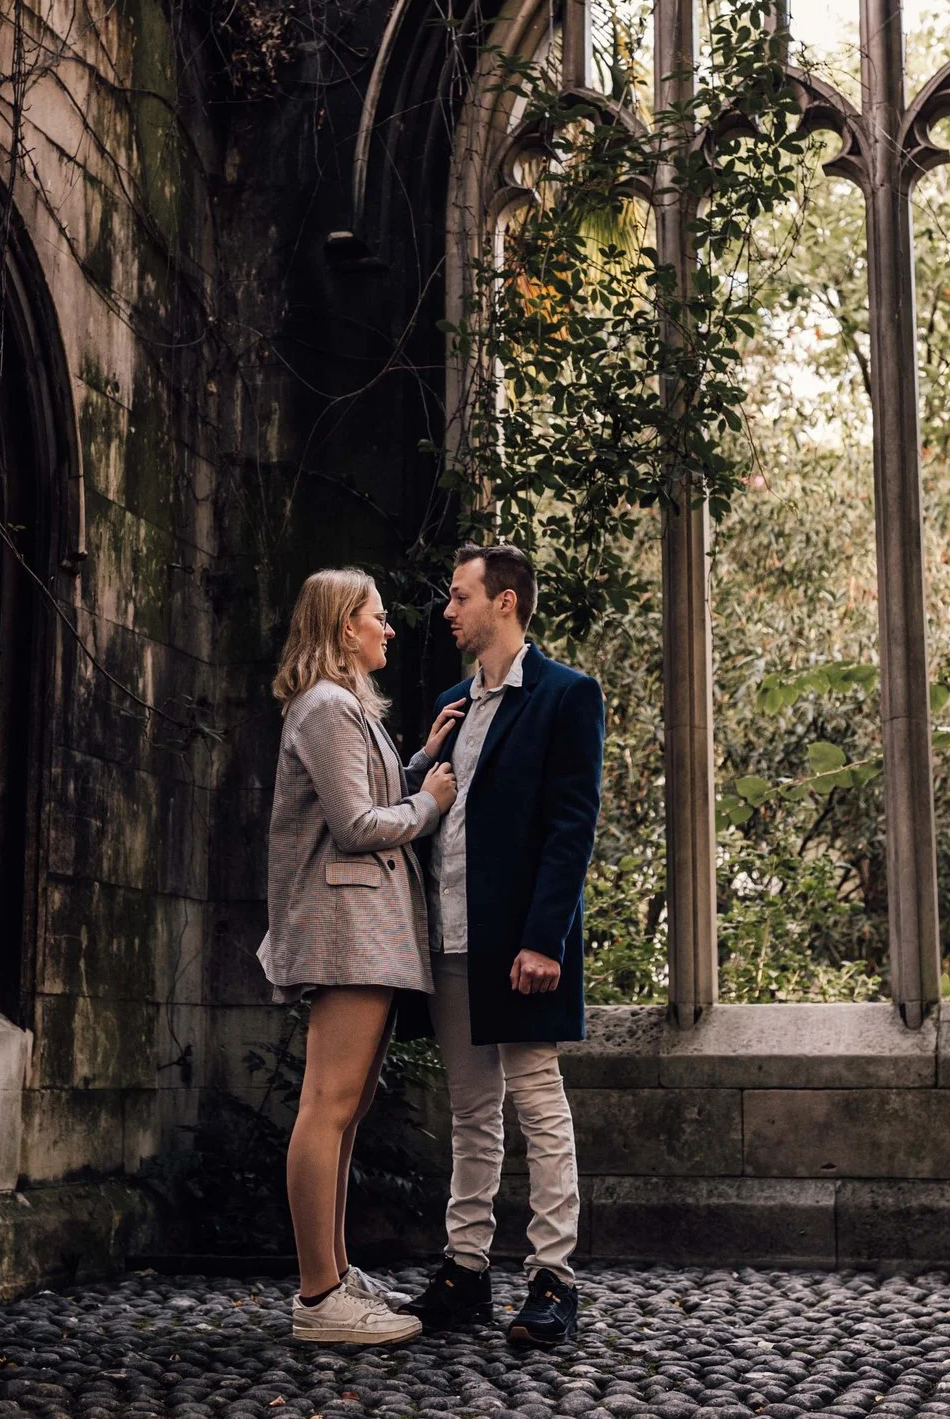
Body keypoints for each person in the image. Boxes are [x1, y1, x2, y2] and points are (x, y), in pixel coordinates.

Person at [399, 543, 604, 1347]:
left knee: (538, 1100)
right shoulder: (454, 702)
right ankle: (466, 1270)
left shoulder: (566, 696)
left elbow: (571, 824)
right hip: (451, 939)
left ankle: (552, 1278)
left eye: (460, 596)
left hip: (523, 943)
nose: (449, 611)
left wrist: (545, 937)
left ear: (506, 603)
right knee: (471, 1112)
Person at [261, 568, 459, 1345]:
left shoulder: (344, 710)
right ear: (344, 625)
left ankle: (335, 1274)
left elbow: (363, 800)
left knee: (345, 1110)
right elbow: (354, 827)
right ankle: (319, 1298)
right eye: (378, 616)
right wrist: (430, 801)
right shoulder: (326, 706)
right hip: (347, 928)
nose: (391, 627)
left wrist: (417, 764)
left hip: (367, 929)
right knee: (328, 1106)